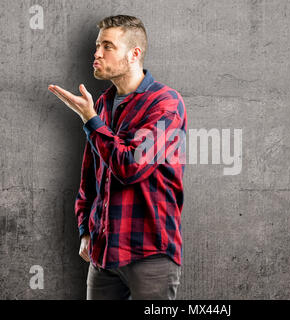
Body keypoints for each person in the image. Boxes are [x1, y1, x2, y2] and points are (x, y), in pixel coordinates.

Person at [47, 15, 187, 300]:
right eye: (98, 45)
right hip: (104, 254)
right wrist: (86, 229)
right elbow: (90, 174)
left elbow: (130, 166)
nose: (97, 53)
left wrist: (90, 119)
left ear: (134, 54)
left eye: (107, 46)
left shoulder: (166, 104)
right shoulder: (102, 104)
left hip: (150, 254)